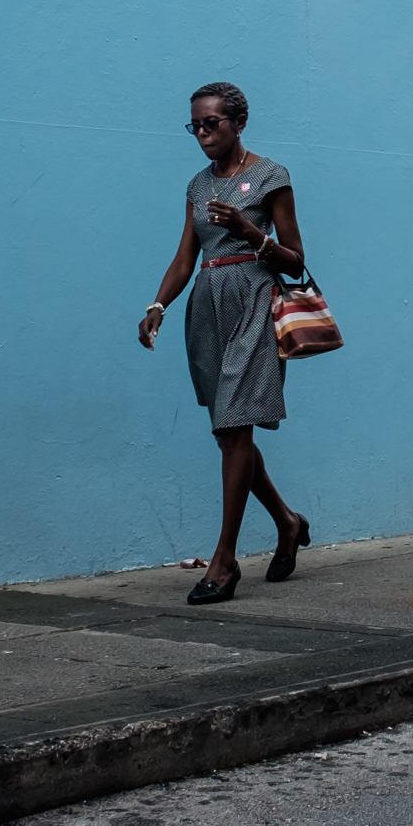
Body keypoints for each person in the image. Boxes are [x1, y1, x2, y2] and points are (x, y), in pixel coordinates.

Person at [138, 82, 311, 603]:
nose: (202, 133)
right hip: (207, 309)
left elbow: (295, 258)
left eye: (211, 123)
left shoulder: (270, 177)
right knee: (228, 433)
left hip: (255, 299)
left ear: (238, 122)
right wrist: (157, 305)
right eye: (195, 125)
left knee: (235, 427)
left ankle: (225, 561)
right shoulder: (195, 187)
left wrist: (248, 229)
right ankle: (286, 521)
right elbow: (185, 257)